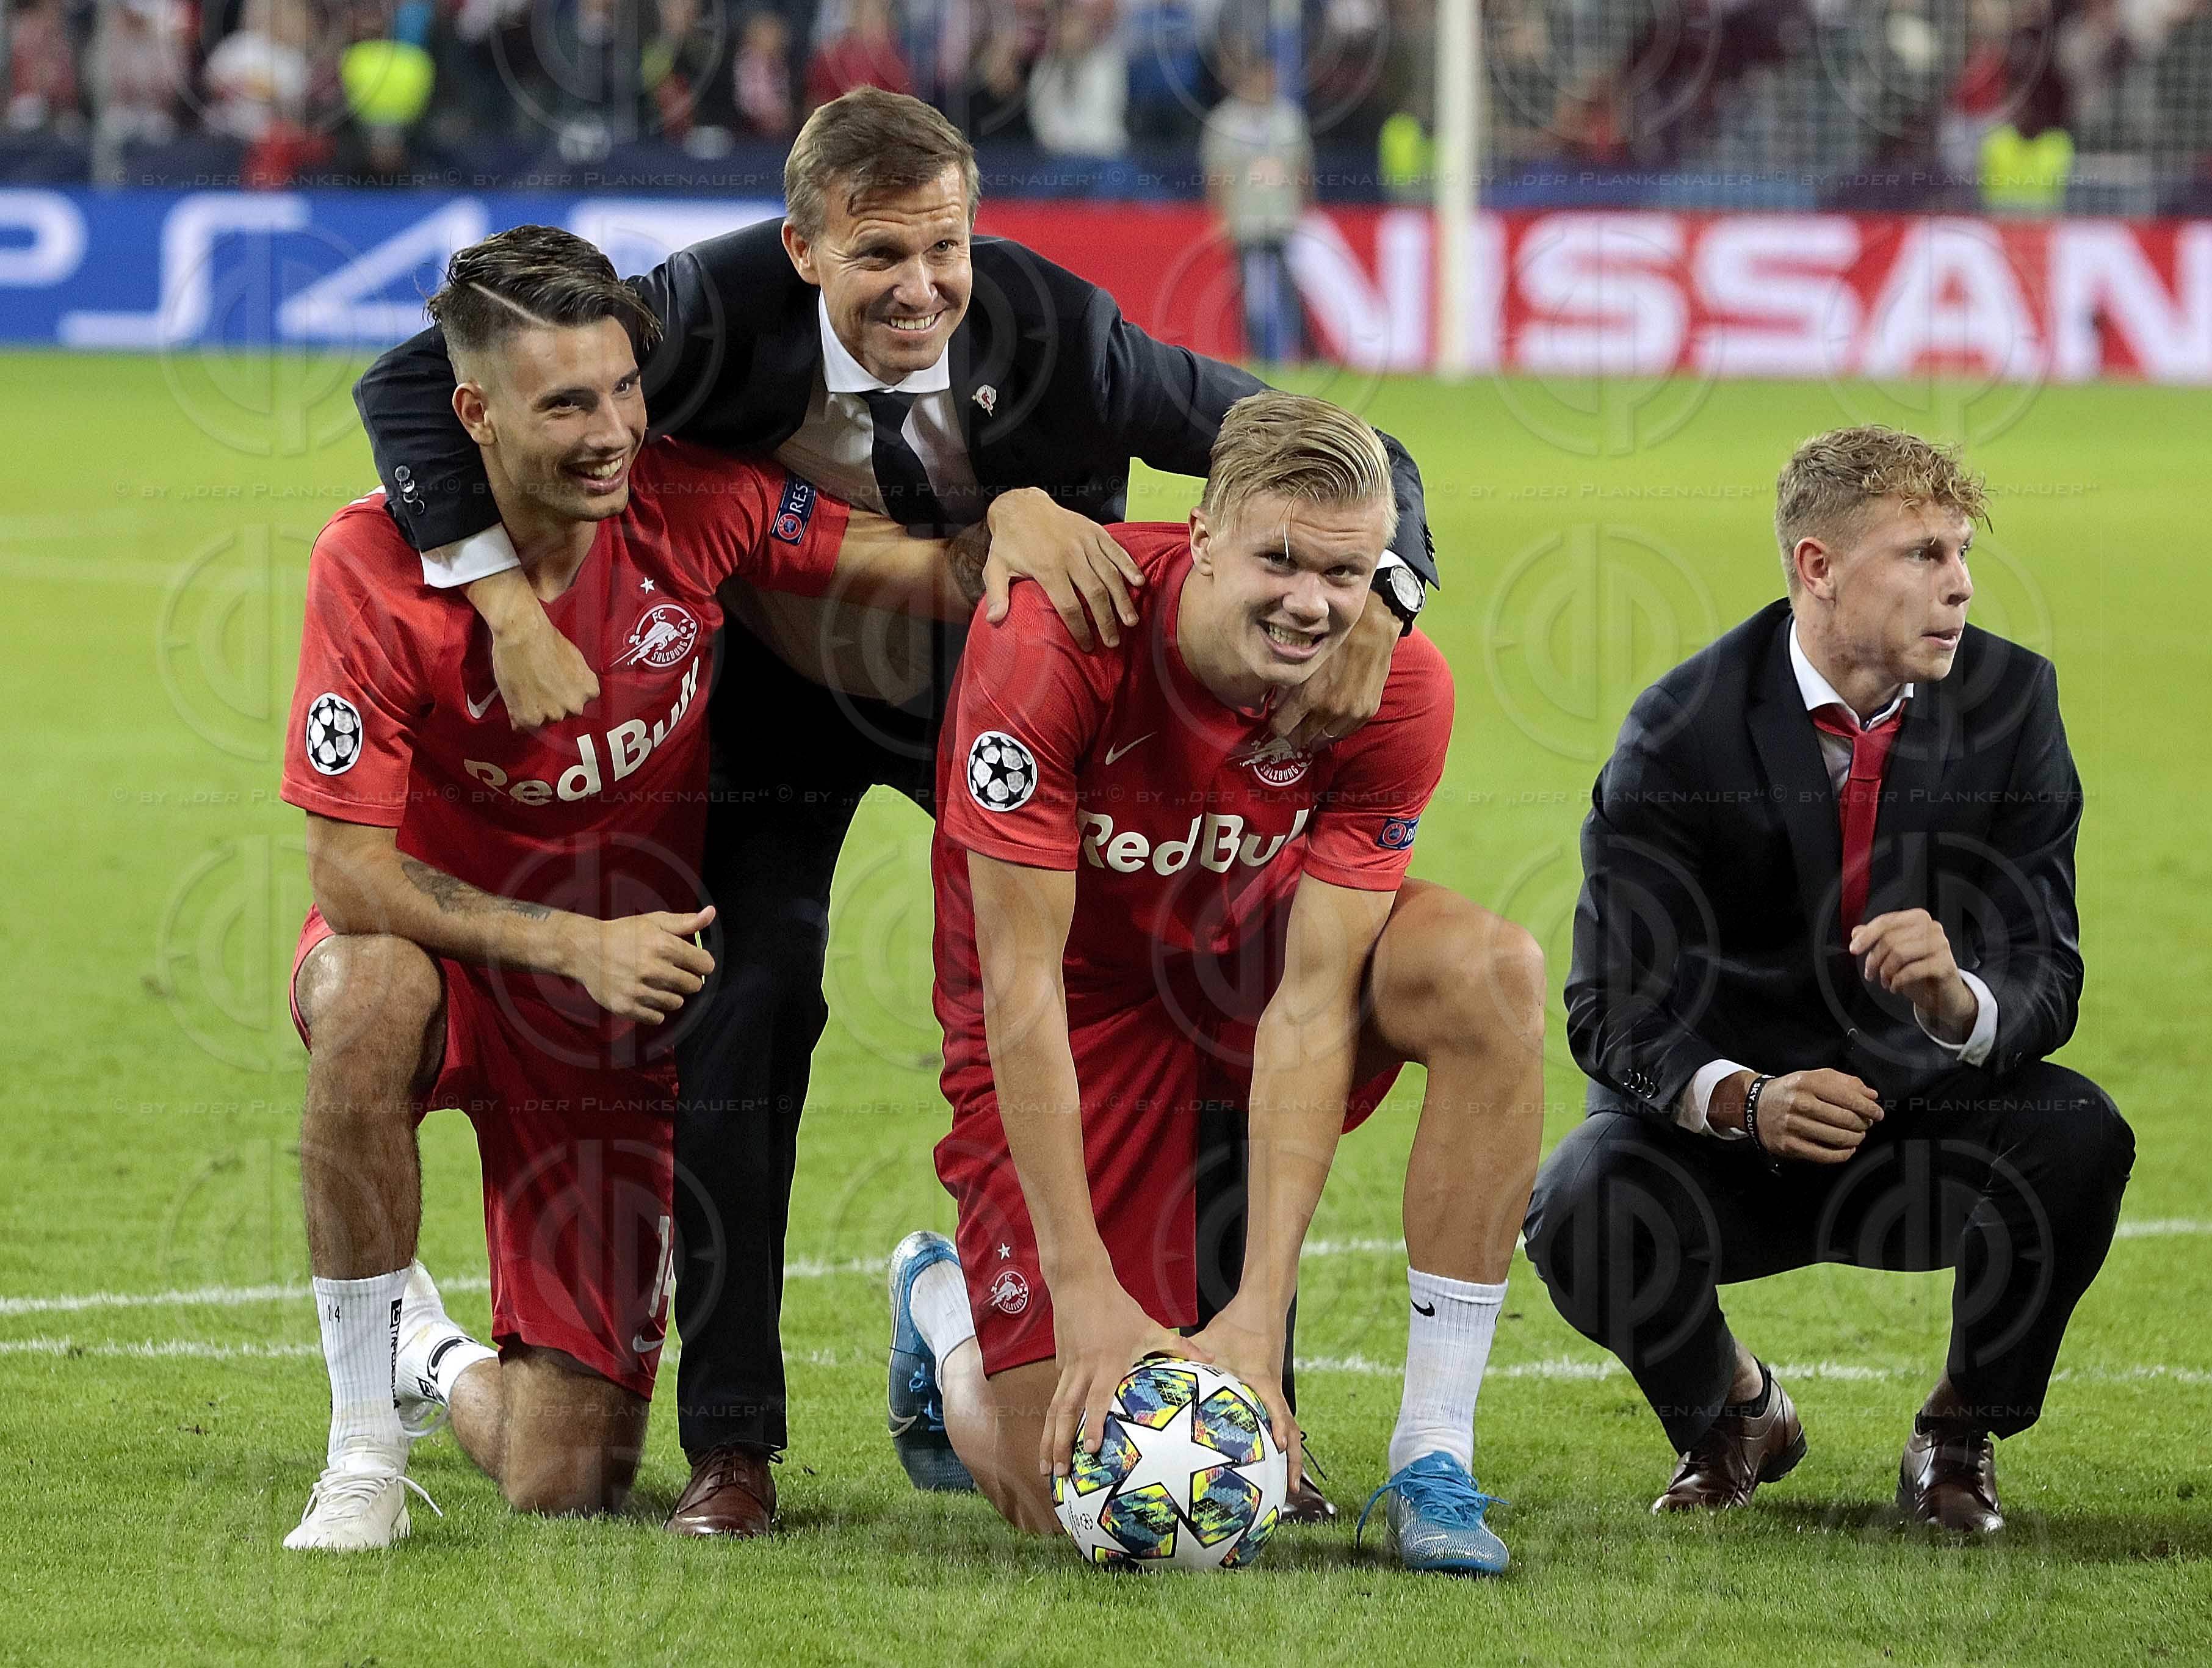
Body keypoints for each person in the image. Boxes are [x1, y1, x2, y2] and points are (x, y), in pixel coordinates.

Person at [350, 86, 1442, 1536]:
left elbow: (1322, 437)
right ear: (802, 247)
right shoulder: (703, 307)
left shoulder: (1063, 330)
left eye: (944, 249)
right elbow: (408, 386)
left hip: (1015, 708)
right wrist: (494, 596)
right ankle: (734, 1445)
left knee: (1204, 982)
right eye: (877, 255)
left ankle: (1246, 1399)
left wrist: (1387, 592)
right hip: (778, 710)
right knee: (745, 1000)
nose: (919, 287)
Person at [279, 225, 971, 1550]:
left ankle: (425, 1351)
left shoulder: (689, 502)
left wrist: (1065, 541)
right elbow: (346, 871)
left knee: (567, 1472)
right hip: (455, 948)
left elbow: (916, 566)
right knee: (369, 990)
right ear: (471, 413)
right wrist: (565, 942)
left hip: (609, 1018)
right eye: (567, 405)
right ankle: (362, 1448)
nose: (613, 433)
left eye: (623, 391)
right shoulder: (368, 566)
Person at [886, 392, 1546, 1574]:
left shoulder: (1393, 690)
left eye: (1346, 573)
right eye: (1280, 559)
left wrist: (1254, 1310)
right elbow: (1018, 987)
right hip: (1075, 1004)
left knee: (1490, 973)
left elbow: (1312, 999)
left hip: (1248, 972)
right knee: (1064, 1482)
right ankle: (939, 1304)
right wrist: (1082, 1287)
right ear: (1200, 536)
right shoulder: (1050, 645)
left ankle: (1432, 1454)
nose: (1311, 602)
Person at [1523, 425, 2134, 1534]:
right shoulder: (1678, 730)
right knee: (1576, 1193)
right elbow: (1605, 1002)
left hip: (1911, 1119)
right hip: (1724, 1142)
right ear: (1815, 567)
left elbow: (2047, 965)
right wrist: (1742, 1097)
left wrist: (1960, 1004)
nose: (1957, 586)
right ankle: (1729, 1412)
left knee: (2078, 1130)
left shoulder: (2010, 704)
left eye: (1960, 553)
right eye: (1920, 555)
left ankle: (1955, 1430)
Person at [1201, 47, 1313, 363]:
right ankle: (1254, 353)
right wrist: (1220, 218)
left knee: (1290, 288)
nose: (1267, 82)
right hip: (1244, 220)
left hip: (1281, 218)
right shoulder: (1225, 121)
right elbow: (1217, 175)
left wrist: (1305, 210)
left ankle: (1302, 352)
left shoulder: (1288, 118)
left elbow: (1302, 169)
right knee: (1249, 293)